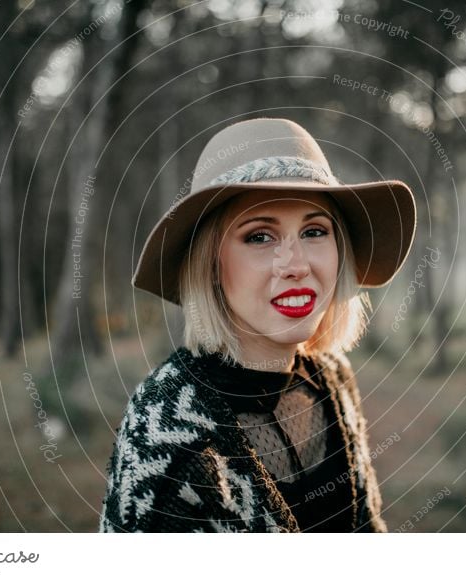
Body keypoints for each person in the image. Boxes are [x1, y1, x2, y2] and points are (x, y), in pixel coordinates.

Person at [99, 117, 416, 532]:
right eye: (259, 237)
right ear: (211, 264)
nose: (296, 265)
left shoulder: (334, 379)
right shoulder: (165, 427)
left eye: (315, 231)